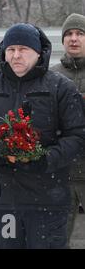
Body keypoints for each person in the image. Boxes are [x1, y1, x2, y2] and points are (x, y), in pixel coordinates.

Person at [0, 23, 85, 249]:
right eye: (11, 49)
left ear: (38, 52)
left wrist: (47, 159)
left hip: (48, 198)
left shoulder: (60, 87)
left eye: (23, 49)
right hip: (1, 197)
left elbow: (77, 135)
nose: (16, 56)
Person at [50, 13, 85, 245]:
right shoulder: (51, 76)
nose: (74, 39)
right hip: (63, 171)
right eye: (69, 34)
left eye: (80, 33)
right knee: (57, 237)